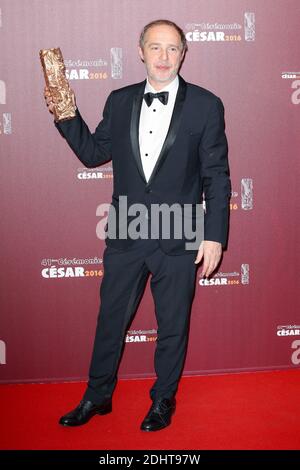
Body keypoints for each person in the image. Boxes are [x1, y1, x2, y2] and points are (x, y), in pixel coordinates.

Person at [44, 19, 231, 432]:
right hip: (127, 231)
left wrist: (215, 234)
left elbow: (216, 175)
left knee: (172, 325)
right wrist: (65, 112)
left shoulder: (206, 104)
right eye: (155, 47)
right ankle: (97, 395)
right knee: (110, 319)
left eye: (172, 49)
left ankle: (163, 399)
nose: (163, 57)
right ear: (140, 51)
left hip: (180, 233)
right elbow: (93, 154)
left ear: (183, 54)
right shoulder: (120, 99)